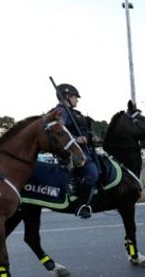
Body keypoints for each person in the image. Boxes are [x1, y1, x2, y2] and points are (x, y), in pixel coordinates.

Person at [55, 83, 99, 219]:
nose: (77, 100)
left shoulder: (74, 113)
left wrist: (91, 137)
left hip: (87, 150)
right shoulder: (61, 112)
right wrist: (76, 139)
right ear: (67, 97)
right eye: (75, 97)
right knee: (92, 174)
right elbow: (58, 132)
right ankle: (81, 205)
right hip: (74, 153)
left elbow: (82, 131)